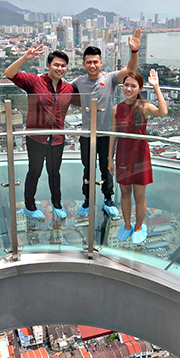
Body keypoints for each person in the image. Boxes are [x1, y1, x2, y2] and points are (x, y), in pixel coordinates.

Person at [71, 28, 141, 219]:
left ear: (101, 63)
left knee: (107, 167)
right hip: (87, 134)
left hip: (106, 134)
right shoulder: (78, 81)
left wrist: (134, 52)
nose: (92, 65)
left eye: (95, 62)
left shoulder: (109, 79)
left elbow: (130, 71)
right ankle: (87, 200)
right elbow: (63, 93)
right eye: (89, 62)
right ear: (84, 64)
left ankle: (108, 198)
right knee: (88, 168)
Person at [4, 45, 75, 221]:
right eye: (56, 65)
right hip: (36, 137)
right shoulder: (35, 82)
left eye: (63, 66)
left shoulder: (68, 89)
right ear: (49, 65)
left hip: (58, 138)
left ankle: (56, 204)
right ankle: (29, 206)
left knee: (54, 172)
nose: (60, 69)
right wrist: (25, 58)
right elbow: (9, 73)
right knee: (34, 171)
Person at [111, 69, 168, 245]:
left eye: (133, 86)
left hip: (140, 156)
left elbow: (163, 112)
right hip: (122, 154)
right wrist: (109, 158)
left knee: (139, 195)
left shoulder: (144, 108)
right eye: (126, 85)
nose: (128, 89)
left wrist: (156, 87)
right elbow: (113, 134)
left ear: (139, 88)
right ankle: (127, 225)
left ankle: (138, 226)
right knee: (124, 192)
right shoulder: (116, 109)